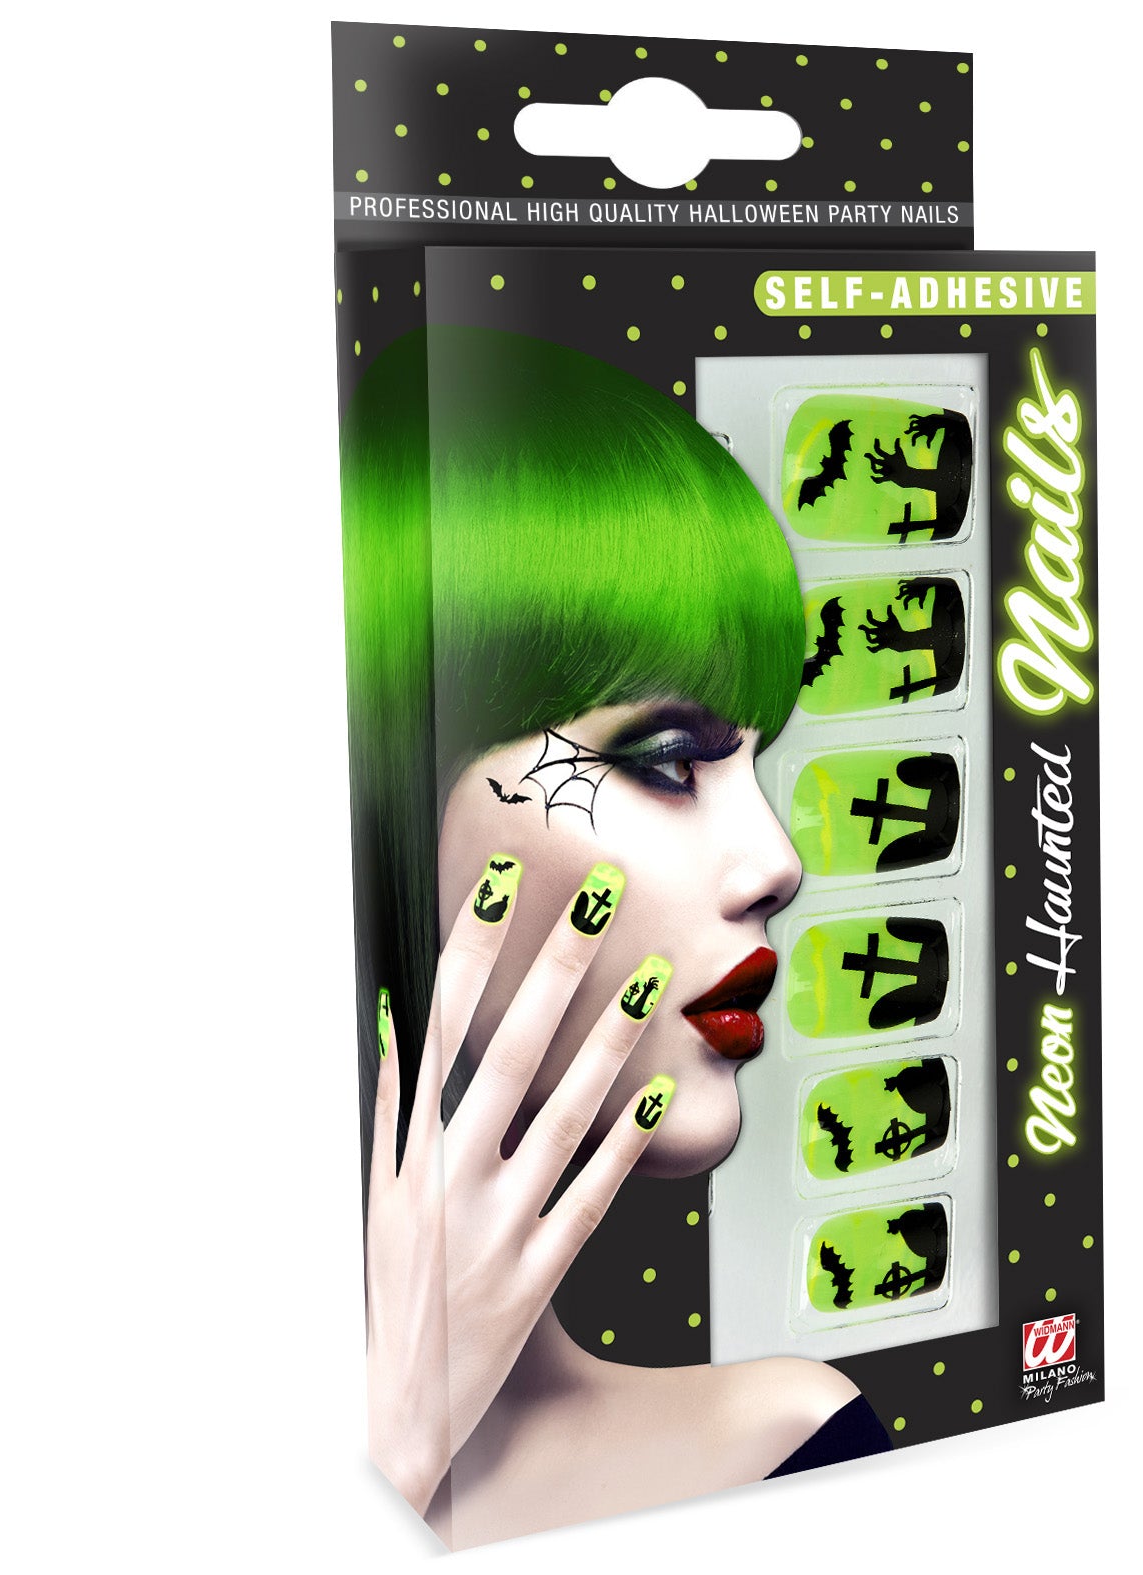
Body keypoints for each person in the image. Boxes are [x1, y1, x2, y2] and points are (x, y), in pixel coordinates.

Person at [341, 324, 891, 1548]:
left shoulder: (782, 1446)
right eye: (667, 760)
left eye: (755, 761)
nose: (779, 864)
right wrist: (398, 1443)